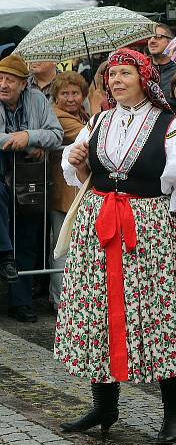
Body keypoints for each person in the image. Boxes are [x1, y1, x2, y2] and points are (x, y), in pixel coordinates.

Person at [56, 48, 176, 443]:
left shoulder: (168, 125)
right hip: (100, 226)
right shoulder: (100, 121)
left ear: (144, 79)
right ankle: (105, 405)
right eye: (112, 75)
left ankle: (173, 414)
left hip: (150, 232)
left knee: (159, 316)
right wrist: (78, 160)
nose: (117, 80)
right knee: (99, 313)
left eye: (126, 73)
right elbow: (87, 174)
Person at [0, 54, 64, 322]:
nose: (3, 84)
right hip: (2, 177)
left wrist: (32, 135)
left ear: (24, 84)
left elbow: (56, 134)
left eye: (10, 80)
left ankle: (22, 302)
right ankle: (4, 255)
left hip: (30, 181)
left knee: (27, 241)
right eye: (0, 79)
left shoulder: (37, 100)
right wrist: (27, 141)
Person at [48, 72, 89, 309]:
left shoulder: (82, 115)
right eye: (65, 93)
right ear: (56, 96)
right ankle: (59, 299)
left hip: (77, 192)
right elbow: (88, 137)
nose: (71, 98)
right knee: (60, 247)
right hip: (63, 193)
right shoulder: (58, 115)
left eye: (75, 93)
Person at [148, 24, 176, 94]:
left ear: (171, 42)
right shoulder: (141, 69)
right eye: (149, 37)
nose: (152, 41)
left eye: (158, 37)